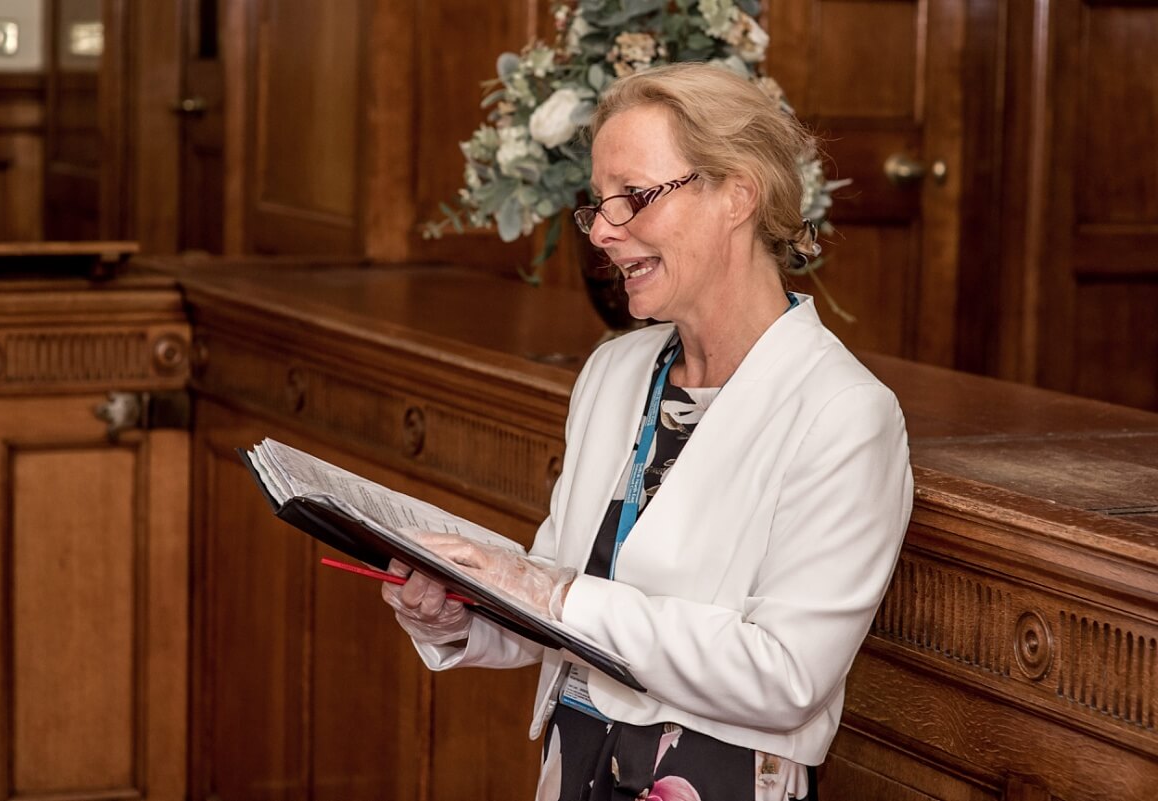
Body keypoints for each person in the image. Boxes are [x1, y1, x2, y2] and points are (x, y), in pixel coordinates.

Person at [382, 62, 913, 801]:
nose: (602, 231)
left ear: (737, 193)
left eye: (633, 197)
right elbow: (557, 595)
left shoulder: (846, 413)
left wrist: (550, 592)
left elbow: (786, 673)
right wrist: (462, 611)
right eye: (598, 205)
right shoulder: (615, 371)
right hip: (577, 768)